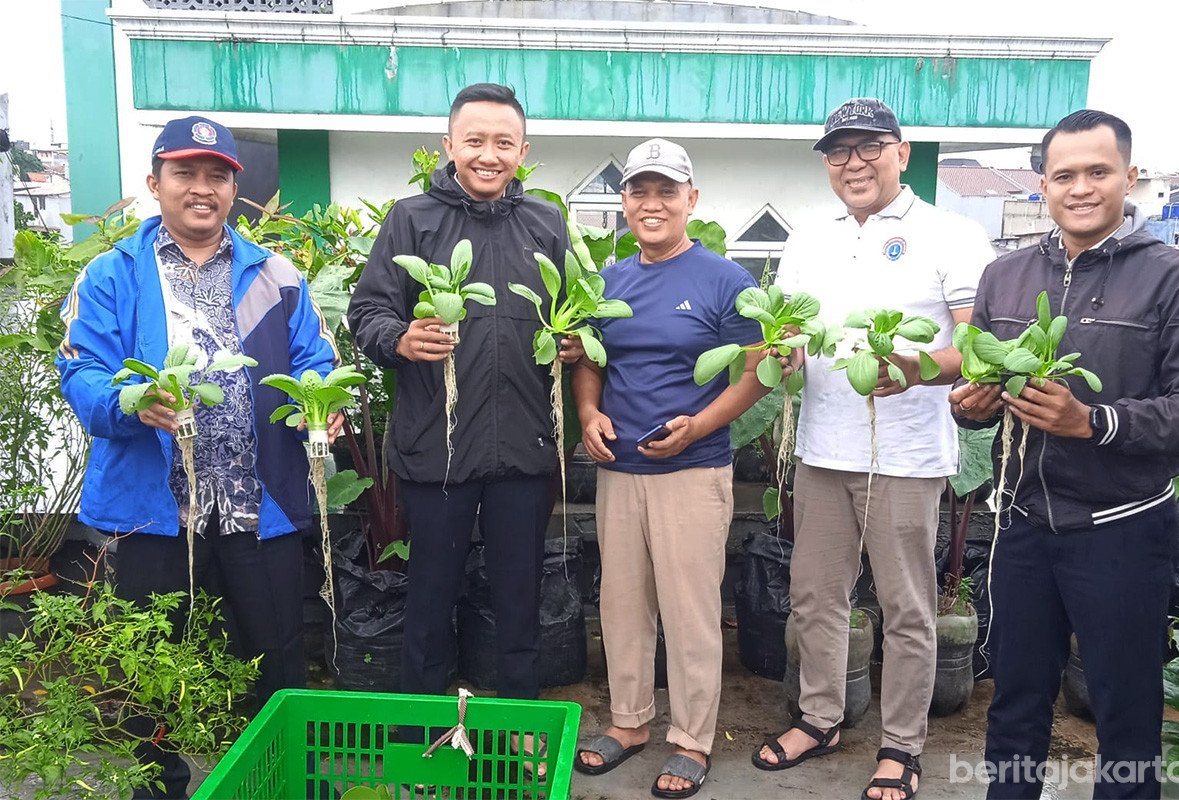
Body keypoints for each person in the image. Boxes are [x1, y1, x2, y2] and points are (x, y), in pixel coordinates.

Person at [56, 115, 342, 799]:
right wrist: (130, 402)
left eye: (217, 176)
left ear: (234, 190)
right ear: (155, 183)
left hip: (257, 505)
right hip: (151, 512)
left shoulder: (276, 274)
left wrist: (321, 399)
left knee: (276, 658)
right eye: (185, 173)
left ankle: (287, 782)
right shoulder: (112, 275)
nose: (202, 188)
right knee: (149, 665)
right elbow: (81, 370)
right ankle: (158, 788)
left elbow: (316, 357)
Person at [950, 109, 1179, 800]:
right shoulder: (1005, 276)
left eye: (1098, 171)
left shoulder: (1177, 278)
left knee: (1127, 712)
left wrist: (1093, 422)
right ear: (1043, 184)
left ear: (1130, 176)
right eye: (1064, 175)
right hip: (1023, 525)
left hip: (1122, 528)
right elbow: (983, 388)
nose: (1081, 188)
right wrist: (973, 407)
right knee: (1014, 701)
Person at [751, 98, 994, 800]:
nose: (852, 163)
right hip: (823, 451)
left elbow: (977, 344)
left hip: (906, 458)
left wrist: (918, 368)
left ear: (901, 152)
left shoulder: (950, 234)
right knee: (814, 598)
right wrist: (783, 354)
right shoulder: (808, 239)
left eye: (869, 148)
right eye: (838, 151)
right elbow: (790, 331)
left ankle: (902, 745)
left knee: (907, 608)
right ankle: (820, 717)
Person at [347, 84, 574, 762]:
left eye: (503, 142)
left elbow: (575, 310)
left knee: (518, 597)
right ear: (449, 146)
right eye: (474, 140)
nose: (488, 154)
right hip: (436, 449)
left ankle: (517, 729)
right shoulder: (411, 219)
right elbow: (367, 312)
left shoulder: (546, 222)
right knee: (429, 598)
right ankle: (419, 734)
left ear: (523, 152)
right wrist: (400, 338)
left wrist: (572, 340)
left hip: (524, 448)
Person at [571, 138, 766, 799]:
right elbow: (590, 359)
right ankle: (629, 723)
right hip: (620, 469)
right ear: (624, 202)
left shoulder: (726, 280)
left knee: (689, 612)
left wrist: (699, 427)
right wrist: (588, 412)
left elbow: (757, 370)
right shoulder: (608, 282)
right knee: (622, 605)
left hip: (693, 471)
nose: (651, 204)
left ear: (691, 200)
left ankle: (690, 739)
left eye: (666, 191)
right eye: (639, 191)